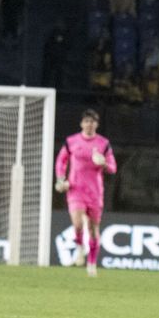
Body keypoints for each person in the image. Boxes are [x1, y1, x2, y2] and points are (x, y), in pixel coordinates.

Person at [54, 110, 116, 276]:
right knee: (78, 223)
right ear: (81, 123)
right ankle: (80, 246)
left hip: (95, 192)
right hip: (75, 189)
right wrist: (61, 179)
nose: (89, 124)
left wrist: (103, 164)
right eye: (86, 121)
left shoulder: (103, 143)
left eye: (93, 121)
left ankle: (91, 264)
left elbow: (113, 167)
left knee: (93, 227)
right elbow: (61, 160)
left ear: (97, 124)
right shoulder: (71, 141)